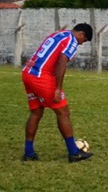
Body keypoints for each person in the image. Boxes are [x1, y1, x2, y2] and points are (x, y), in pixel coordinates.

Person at [21, 23, 94, 163]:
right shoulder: (71, 40)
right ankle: (74, 153)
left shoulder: (58, 34)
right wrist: (58, 88)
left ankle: (28, 152)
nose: (81, 43)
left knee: (36, 113)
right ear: (82, 34)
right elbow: (62, 62)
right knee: (63, 112)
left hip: (28, 72)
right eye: (83, 41)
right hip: (41, 76)